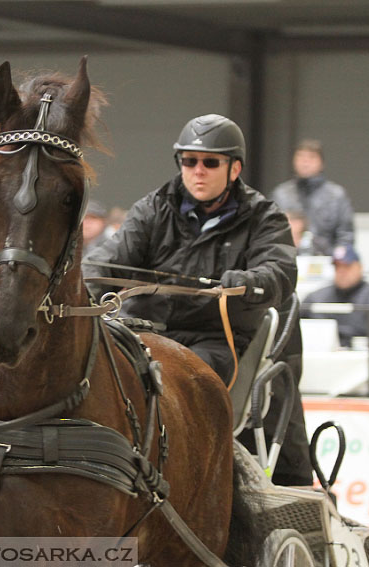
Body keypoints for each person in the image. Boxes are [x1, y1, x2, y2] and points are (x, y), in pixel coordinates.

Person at [84, 114, 311, 486]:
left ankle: (183, 477)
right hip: (146, 334)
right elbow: (104, 263)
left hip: (219, 341)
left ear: (234, 168)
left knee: (185, 382)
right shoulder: (153, 208)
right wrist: (80, 285)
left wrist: (250, 282)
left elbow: (280, 271)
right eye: (189, 161)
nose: (198, 171)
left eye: (210, 162)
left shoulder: (264, 217)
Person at [303, 245, 369, 351]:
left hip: (361, 361)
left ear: (360, 267)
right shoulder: (316, 298)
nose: (342, 272)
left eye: (347, 266)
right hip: (320, 359)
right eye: (337, 267)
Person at [271, 139, 354, 255]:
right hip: (288, 260)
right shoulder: (281, 194)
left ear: (321, 163)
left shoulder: (336, 196)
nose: (305, 162)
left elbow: (345, 236)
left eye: (311, 157)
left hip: (326, 261)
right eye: (300, 157)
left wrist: (337, 259)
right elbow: (271, 233)